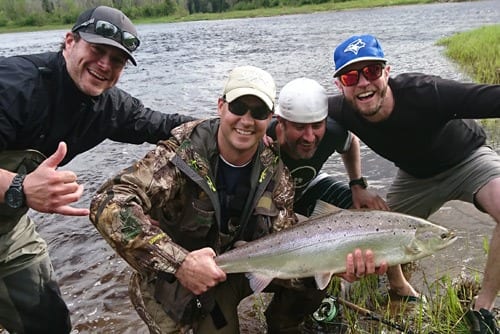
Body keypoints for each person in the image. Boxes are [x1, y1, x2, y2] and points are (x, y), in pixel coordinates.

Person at [89, 65, 386, 333]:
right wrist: (181, 263)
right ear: (221, 106)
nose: (246, 120)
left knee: (310, 280)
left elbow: (283, 239)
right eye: (238, 107)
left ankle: (284, 326)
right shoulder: (181, 154)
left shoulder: (276, 173)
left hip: (236, 265)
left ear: (269, 119)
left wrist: (333, 262)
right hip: (171, 278)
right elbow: (108, 202)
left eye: (258, 113)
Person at [0, 6, 194, 333]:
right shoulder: (14, 85)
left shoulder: (110, 107)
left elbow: (166, 126)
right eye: (96, 50)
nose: (104, 65)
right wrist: (19, 187)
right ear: (69, 41)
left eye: (116, 59)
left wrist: (245, 124)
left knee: (49, 324)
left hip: (7, 234)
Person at [329, 34, 500, 333]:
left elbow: (488, 97)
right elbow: (291, 117)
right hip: (415, 177)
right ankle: (399, 285)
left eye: (371, 71)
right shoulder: (340, 109)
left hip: (469, 159)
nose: (363, 83)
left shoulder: (427, 92)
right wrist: (357, 183)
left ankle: (483, 307)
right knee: (377, 224)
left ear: (387, 72)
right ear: (339, 85)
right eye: (350, 76)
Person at [264, 77, 389, 332]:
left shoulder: (332, 131)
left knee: (370, 213)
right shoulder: (261, 136)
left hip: (310, 187)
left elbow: (350, 143)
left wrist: (357, 185)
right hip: (270, 203)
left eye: (316, 126)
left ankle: (393, 284)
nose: (310, 137)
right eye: (299, 127)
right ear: (281, 122)